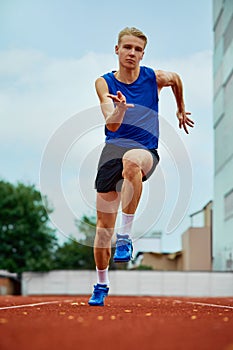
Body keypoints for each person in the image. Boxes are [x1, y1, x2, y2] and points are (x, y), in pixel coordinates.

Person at [88, 27, 194, 306]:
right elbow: (110, 123)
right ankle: (101, 284)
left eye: (137, 49)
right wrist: (121, 109)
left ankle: (126, 236)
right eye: (127, 48)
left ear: (143, 53)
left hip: (145, 150)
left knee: (132, 161)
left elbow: (176, 79)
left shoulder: (152, 77)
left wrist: (180, 107)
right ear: (117, 50)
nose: (132, 53)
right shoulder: (104, 83)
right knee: (101, 232)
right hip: (112, 150)